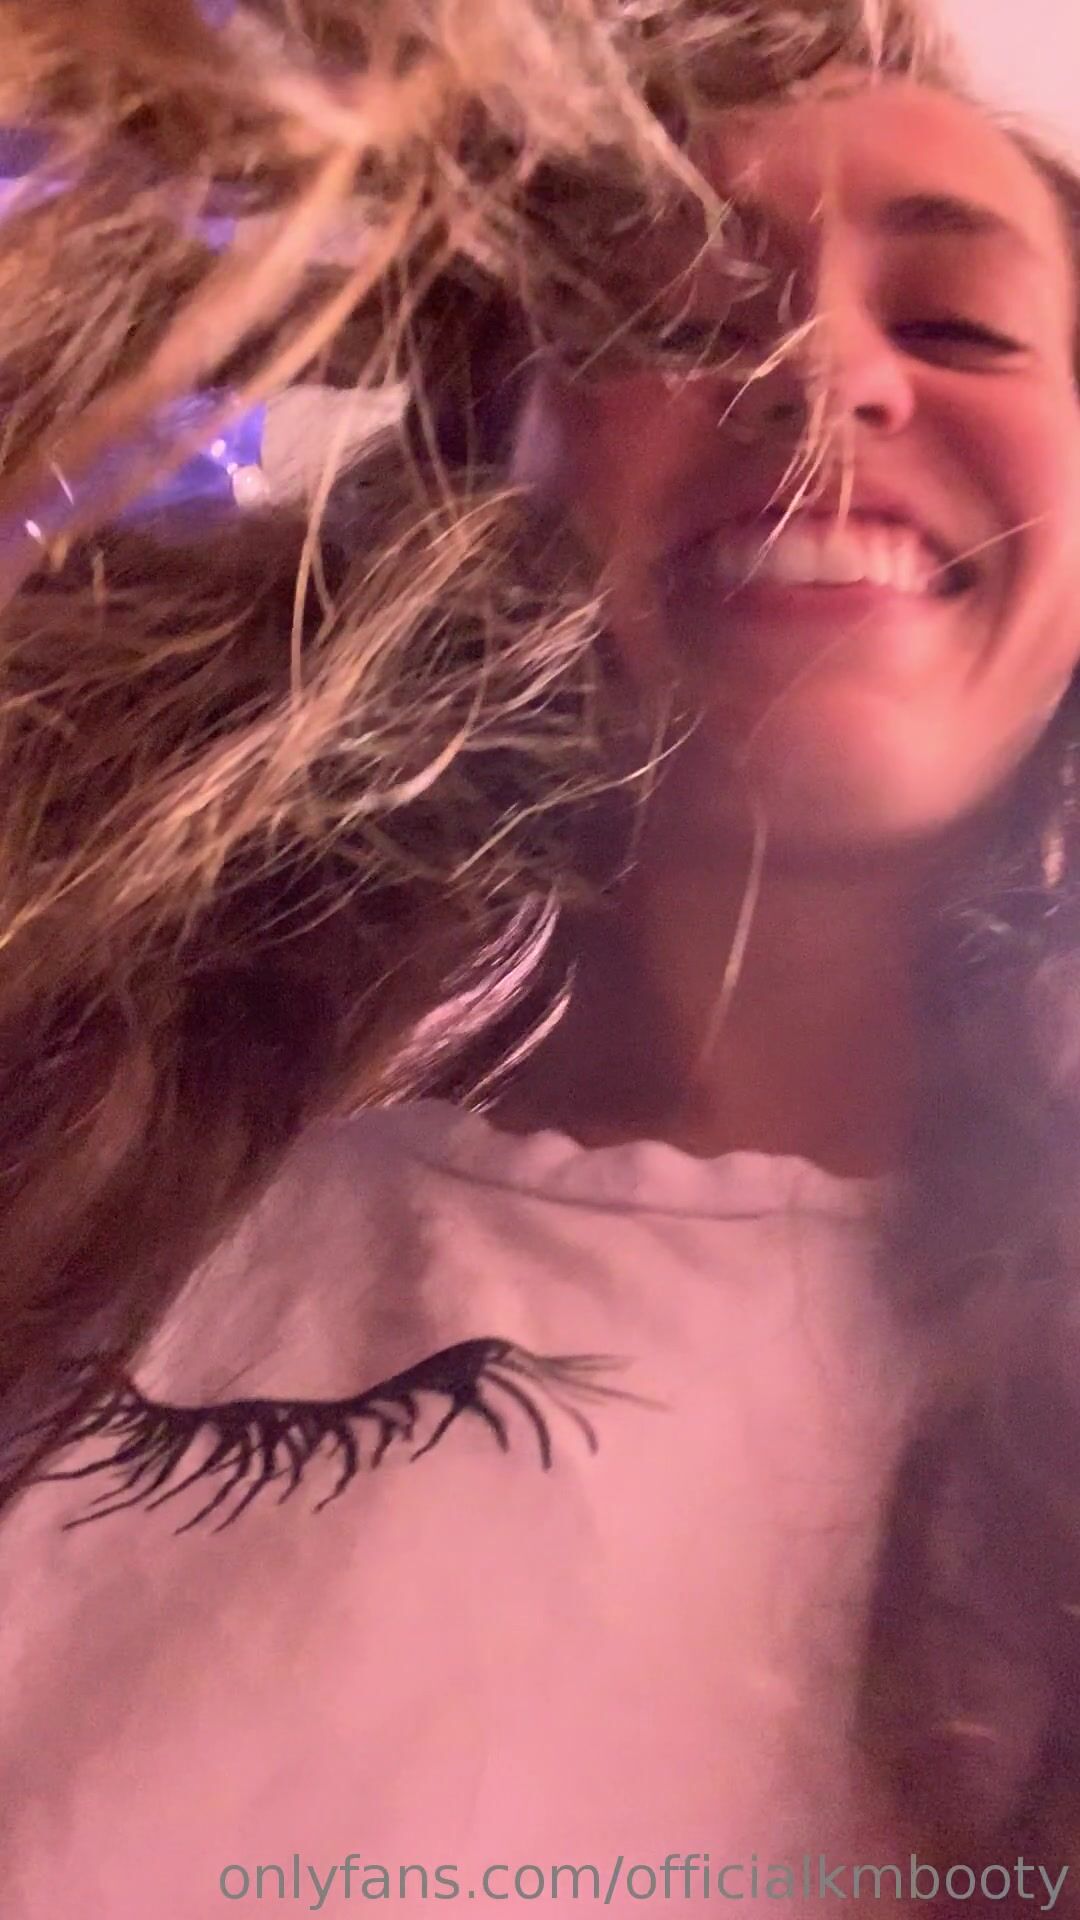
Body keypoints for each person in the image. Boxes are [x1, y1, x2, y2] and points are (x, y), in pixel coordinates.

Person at [2, 0, 1080, 1914]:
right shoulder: (85, 1149)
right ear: (491, 476)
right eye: (669, 312)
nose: (819, 371)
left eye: (962, 325)